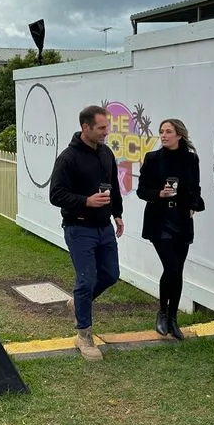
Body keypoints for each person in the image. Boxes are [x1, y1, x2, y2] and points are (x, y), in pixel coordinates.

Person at [49, 105, 124, 361]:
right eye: (102, 128)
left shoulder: (106, 153)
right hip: (79, 228)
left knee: (111, 274)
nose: (106, 132)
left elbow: (113, 186)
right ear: (86, 128)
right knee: (86, 280)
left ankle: (79, 303)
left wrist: (118, 215)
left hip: (104, 227)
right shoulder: (68, 158)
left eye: (107, 127)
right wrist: (85, 201)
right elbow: (55, 195)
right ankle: (84, 336)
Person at [137, 118, 204, 340]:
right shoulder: (153, 158)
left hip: (182, 219)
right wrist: (159, 194)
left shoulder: (191, 159)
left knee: (178, 270)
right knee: (172, 267)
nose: (163, 135)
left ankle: (173, 319)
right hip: (159, 219)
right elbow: (141, 190)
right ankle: (162, 312)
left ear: (179, 135)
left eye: (168, 131)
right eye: (161, 132)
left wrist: (194, 205)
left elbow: (195, 187)